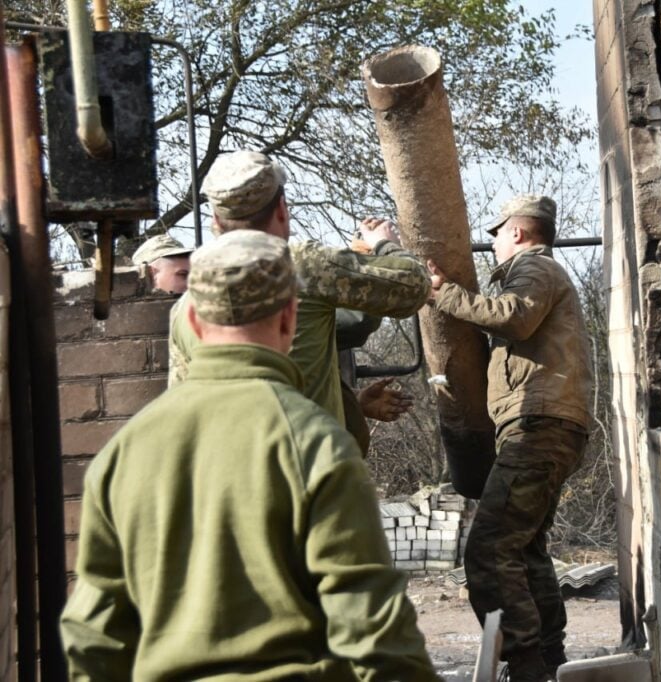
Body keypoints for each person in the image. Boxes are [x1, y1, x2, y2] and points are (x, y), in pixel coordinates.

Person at [61, 230, 439, 680]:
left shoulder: (123, 454)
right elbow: (375, 631)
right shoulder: (316, 445)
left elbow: (94, 637)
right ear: (288, 321)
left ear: (194, 325)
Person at [428, 194, 593, 681]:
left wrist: (444, 294)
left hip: (540, 423)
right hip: (546, 422)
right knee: (523, 547)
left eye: (496, 233)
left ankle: (525, 665)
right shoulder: (538, 272)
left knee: (489, 548)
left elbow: (513, 316)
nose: (493, 241)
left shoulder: (535, 270)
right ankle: (547, 657)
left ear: (517, 233)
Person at [167, 150, 430, 454]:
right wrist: (384, 244)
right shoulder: (301, 265)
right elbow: (413, 285)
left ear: (215, 220)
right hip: (312, 482)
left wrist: (352, 404)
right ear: (281, 208)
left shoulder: (185, 307)